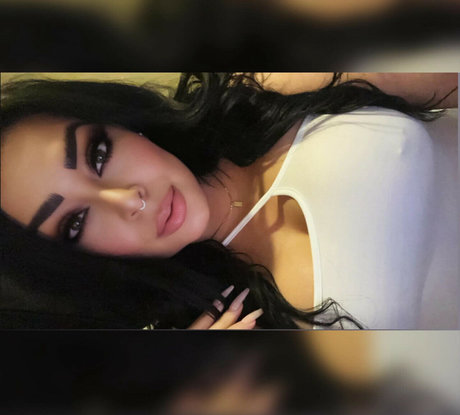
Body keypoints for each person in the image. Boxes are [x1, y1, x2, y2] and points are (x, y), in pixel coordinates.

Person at [1, 72, 457, 329]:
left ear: (119, 122)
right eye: (76, 223)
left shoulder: (264, 87)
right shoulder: (214, 332)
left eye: (98, 155)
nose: (128, 200)